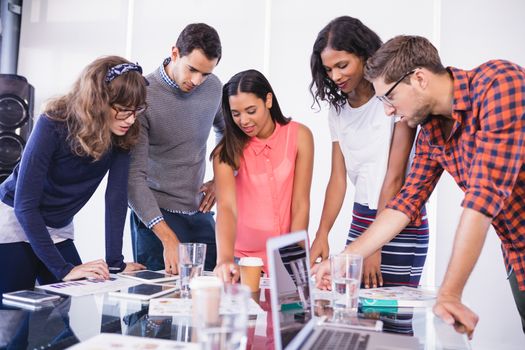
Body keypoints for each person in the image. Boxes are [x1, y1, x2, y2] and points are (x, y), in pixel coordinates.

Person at [314, 35, 525, 339]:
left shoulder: (499, 85)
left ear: (420, 79)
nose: (387, 110)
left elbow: (483, 199)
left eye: (388, 98)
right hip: (517, 255)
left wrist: (450, 294)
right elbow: (405, 203)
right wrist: (345, 258)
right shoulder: (431, 131)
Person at [0, 56, 147, 295]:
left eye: (136, 110)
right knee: (14, 318)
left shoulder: (124, 133)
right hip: (15, 220)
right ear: (98, 101)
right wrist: (63, 269)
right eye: (122, 110)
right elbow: (24, 205)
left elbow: (116, 198)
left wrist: (115, 263)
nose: (130, 119)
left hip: (58, 226)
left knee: (69, 305)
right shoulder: (53, 122)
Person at [309, 16, 429, 288]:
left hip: (400, 222)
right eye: (328, 70)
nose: (335, 76)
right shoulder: (337, 112)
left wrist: (376, 245)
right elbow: (338, 179)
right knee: (357, 314)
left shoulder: (395, 99)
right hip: (361, 219)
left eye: (342, 65)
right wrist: (322, 233)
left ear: (364, 55)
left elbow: (395, 176)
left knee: (393, 319)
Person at [128, 23, 225, 274]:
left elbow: (228, 133)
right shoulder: (143, 96)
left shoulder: (214, 87)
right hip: (155, 216)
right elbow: (133, 179)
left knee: (210, 298)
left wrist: (220, 180)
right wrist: (167, 237)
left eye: (205, 73)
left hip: (198, 210)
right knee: (157, 307)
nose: (197, 81)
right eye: (192, 69)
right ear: (174, 53)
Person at [212, 69, 313, 282]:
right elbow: (226, 208)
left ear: (268, 100)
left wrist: (296, 256)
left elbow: (301, 202)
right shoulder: (225, 151)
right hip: (243, 261)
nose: (244, 120)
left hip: (286, 257)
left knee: (291, 315)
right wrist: (224, 259)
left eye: (251, 110)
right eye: (236, 113)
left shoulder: (300, 136)